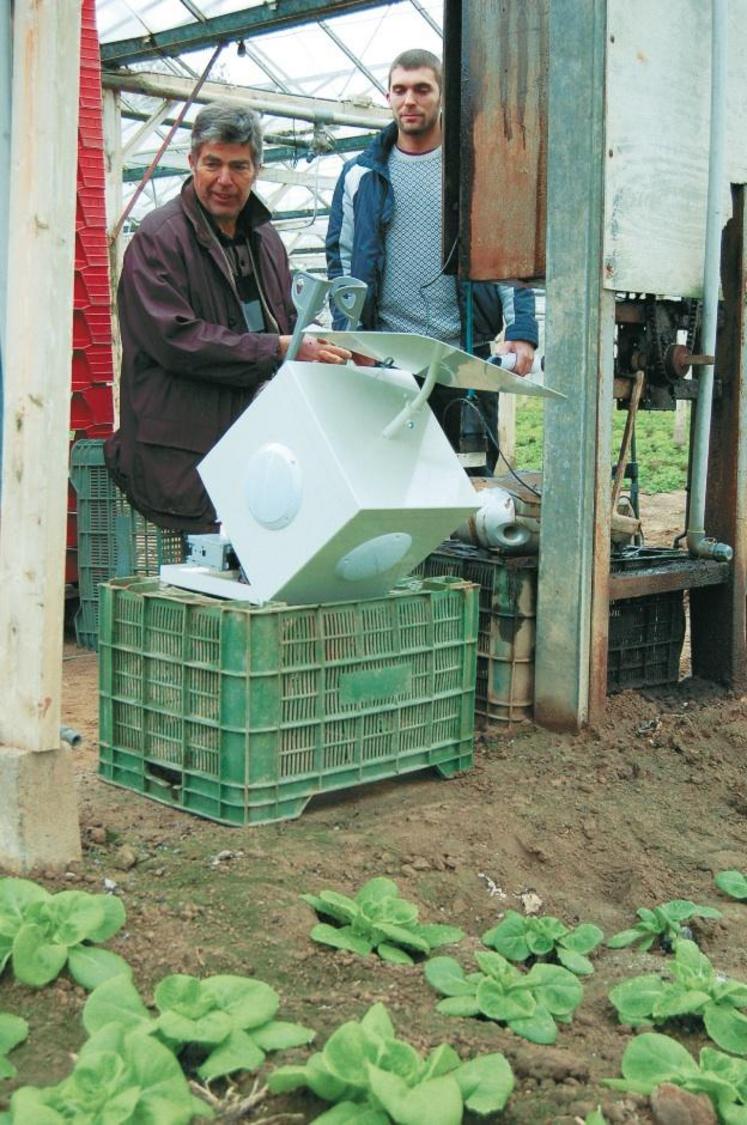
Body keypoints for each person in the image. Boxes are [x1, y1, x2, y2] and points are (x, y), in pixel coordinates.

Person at [105, 101, 349, 533]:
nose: (224, 180)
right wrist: (274, 348)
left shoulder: (266, 240)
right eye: (212, 163)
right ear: (192, 162)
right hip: (184, 444)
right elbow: (175, 340)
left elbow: (287, 326)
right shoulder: (158, 239)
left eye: (238, 166)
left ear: (257, 168)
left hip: (259, 435)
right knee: (200, 568)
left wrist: (327, 349)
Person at [326, 49, 538, 471]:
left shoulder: (477, 166)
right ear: (387, 96)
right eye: (400, 90)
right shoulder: (360, 175)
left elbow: (510, 255)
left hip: (464, 358)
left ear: (442, 96)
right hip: (390, 358)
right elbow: (342, 262)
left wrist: (522, 328)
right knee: (390, 479)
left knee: (467, 481)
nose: (410, 101)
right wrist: (355, 337)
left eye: (422, 89)